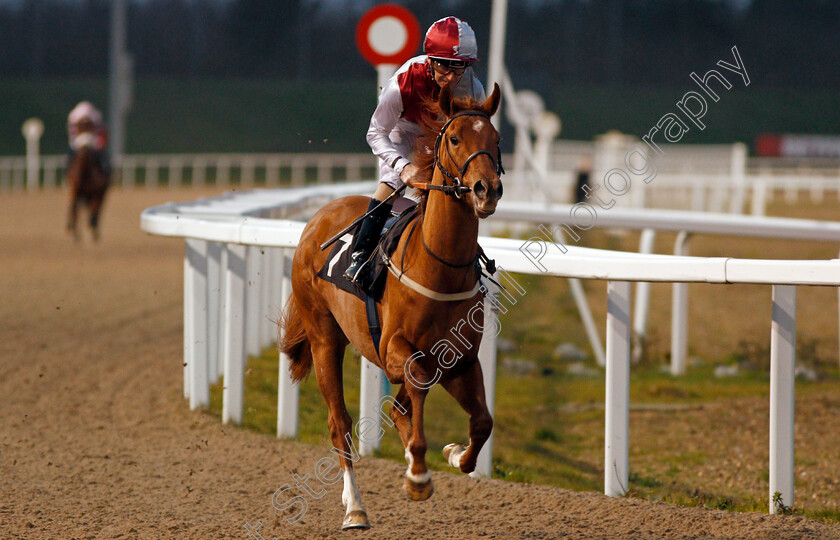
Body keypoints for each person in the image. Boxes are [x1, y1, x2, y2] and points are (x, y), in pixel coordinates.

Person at [344, 16, 487, 287]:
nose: (451, 78)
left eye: (460, 69)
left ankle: (466, 256)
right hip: (400, 127)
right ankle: (361, 254)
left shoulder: (474, 89)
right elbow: (375, 133)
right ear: (431, 60)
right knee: (394, 182)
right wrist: (402, 165)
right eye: (445, 67)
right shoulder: (403, 82)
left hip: (437, 132)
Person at [67, 101, 111, 176]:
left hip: (90, 141)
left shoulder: (74, 116)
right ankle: (106, 171)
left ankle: (67, 173)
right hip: (82, 141)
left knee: (71, 157)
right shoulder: (95, 116)